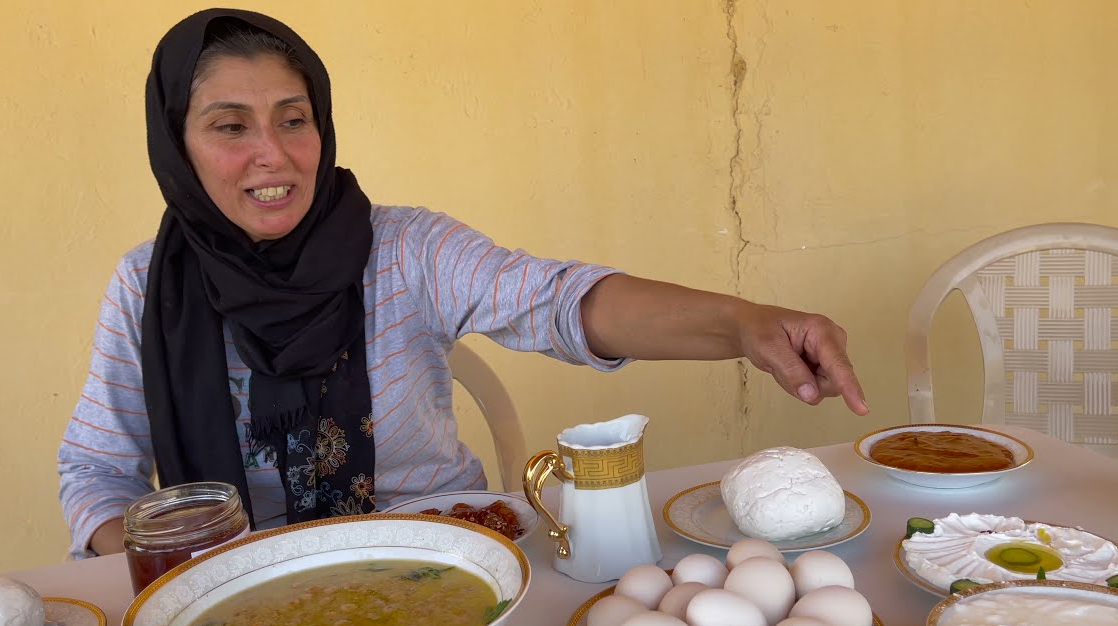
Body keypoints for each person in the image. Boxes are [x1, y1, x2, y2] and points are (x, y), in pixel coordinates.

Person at [57, 8, 867, 560]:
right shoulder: (149, 287)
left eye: (293, 119)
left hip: (444, 557)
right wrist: (180, 570)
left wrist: (744, 324)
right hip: (255, 590)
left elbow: (562, 302)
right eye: (230, 126)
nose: (274, 154)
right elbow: (96, 475)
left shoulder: (403, 249)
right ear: (177, 145)